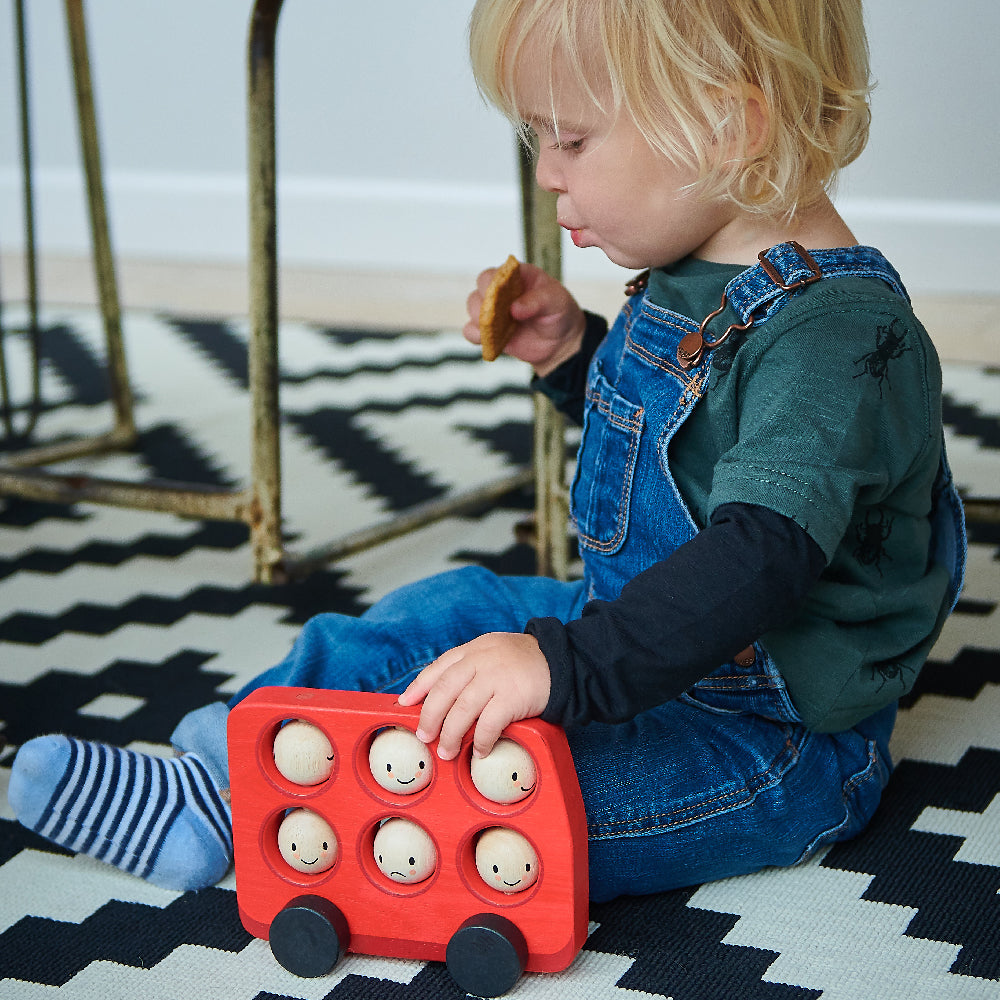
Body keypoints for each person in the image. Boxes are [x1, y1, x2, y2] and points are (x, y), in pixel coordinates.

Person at [8, 0, 965, 903]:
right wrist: (576, 357)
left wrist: (564, 672)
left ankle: (269, 821)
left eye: (572, 138)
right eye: (534, 137)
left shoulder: (839, 342)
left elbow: (758, 555)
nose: (547, 171)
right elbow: (692, 446)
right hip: (623, 630)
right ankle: (216, 774)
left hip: (768, 742)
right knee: (453, 606)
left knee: (496, 794)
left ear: (727, 127)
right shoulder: (700, 269)